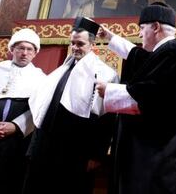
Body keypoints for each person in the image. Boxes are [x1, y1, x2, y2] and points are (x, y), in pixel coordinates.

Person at [96, 2, 176, 194]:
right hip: (162, 150)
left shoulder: (172, 52)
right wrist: (110, 37)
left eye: (142, 28)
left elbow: (155, 96)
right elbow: (138, 56)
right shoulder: (168, 51)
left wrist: (110, 91)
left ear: (155, 27)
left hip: (162, 155)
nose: (139, 35)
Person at [22, 17, 118, 194]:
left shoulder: (106, 74)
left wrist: (96, 154)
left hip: (77, 149)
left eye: (80, 44)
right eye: (72, 43)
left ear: (92, 44)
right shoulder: (62, 70)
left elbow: (108, 119)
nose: (74, 48)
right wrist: (34, 147)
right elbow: (45, 109)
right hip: (46, 146)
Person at [0, 28, 45, 194]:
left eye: (29, 49)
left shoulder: (41, 79)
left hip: (16, 142)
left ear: (35, 52)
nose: (24, 53)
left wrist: (17, 126)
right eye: (20, 48)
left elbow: (40, 110)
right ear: (12, 50)